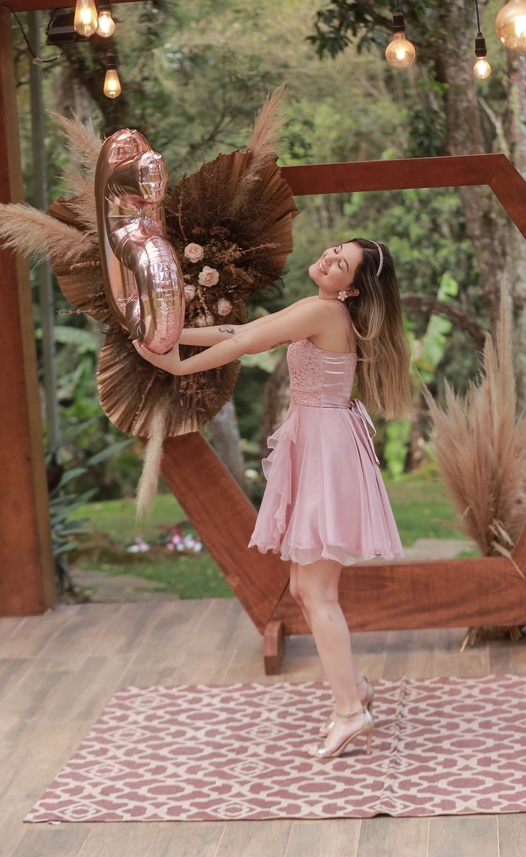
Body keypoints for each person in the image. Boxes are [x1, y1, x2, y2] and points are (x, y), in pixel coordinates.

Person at [134, 238, 412, 758]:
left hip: (326, 450)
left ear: (349, 287)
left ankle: (351, 711)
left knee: (317, 591)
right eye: (333, 250)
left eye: (341, 263)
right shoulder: (322, 309)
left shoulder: (323, 310)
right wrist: (167, 335)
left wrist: (177, 365)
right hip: (322, 442)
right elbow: (241, 330)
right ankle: (356, 687)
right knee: (305, 588)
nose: (328, 257)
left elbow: (247, 343)